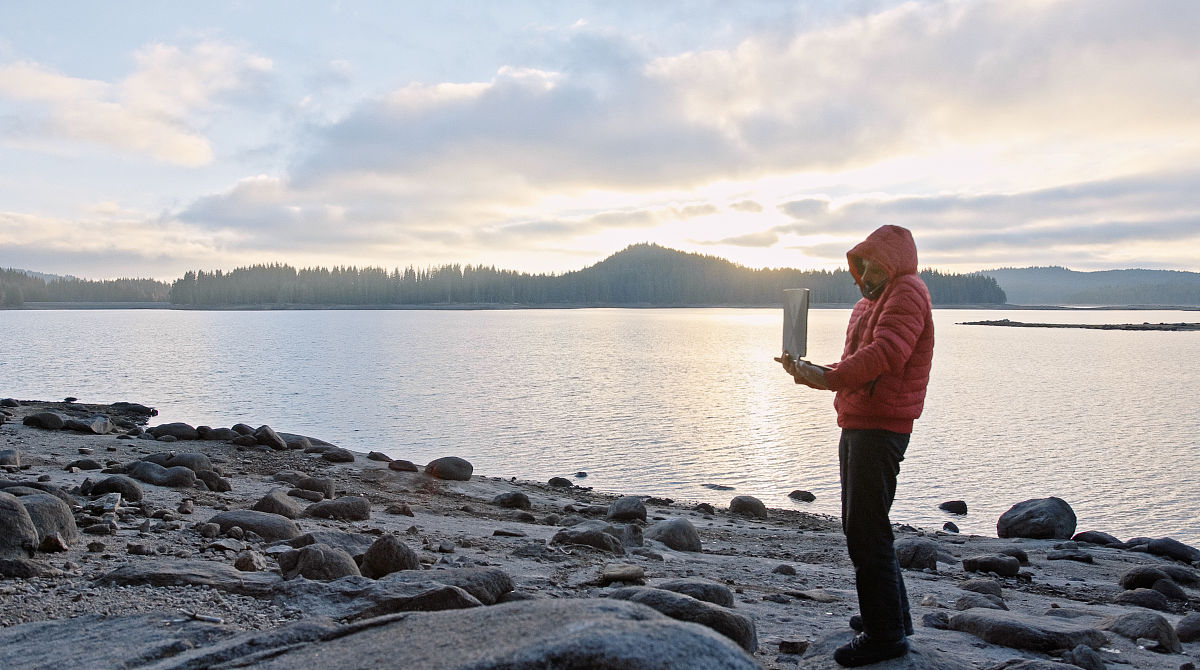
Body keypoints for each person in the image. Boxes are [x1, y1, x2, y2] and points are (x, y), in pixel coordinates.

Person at [776, 224, 934, 667]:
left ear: (891, 261)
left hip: (882, 425)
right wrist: (811, 372)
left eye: (872, 264)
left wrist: (828, 378)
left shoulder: (907, 293)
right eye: (860, 265)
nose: (864, 272)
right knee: (866, 525)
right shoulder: (870, 302)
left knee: (865, 528)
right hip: (861, 420)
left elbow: (886, 355)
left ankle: (885, 636)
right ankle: (893, 620)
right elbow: (851, 367)